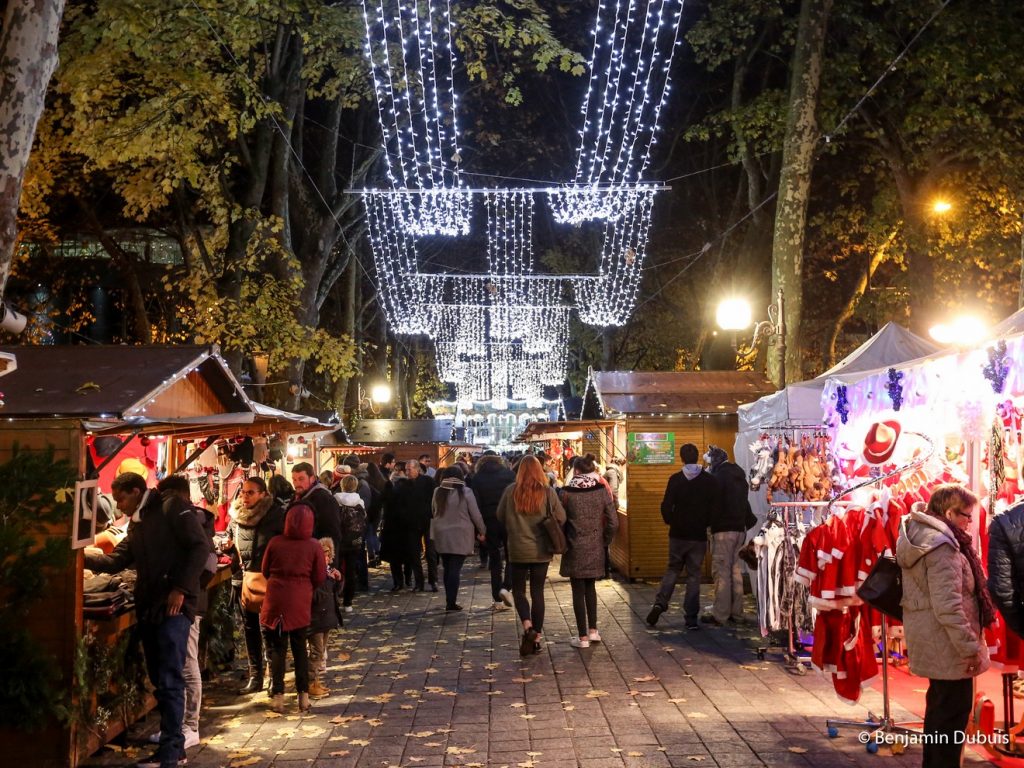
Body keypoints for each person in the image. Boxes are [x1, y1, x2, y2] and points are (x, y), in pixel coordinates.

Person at [85, 472, 209, 768]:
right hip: (151, 606)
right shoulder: (138, 523)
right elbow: (117, 560)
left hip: (174, 608)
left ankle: (171, 752)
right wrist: (80, 555)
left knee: (169, 680)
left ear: (136, 491)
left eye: (121, 498)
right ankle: (173, 749)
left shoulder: (170, 506)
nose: (118, 506)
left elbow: (199, 547)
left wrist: (180, 588)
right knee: (160, 679)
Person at [897, 484, 995, 768]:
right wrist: (970, 647)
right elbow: (948, 606)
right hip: (947, 643)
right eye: (966, 515)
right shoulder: (942, 547)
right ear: (949, 513)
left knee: (941, 711)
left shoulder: (925, 536)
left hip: (934, 638)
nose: (969, 522)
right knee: (950, 717)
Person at [147, 476, 215, 752]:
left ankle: (190, 726)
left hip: (189, 605)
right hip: (185, 602)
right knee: (180, 665)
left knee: (187, 664)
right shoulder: (185, 519)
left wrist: (185, 589)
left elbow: (206, 563)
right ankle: (174, 728)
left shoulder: (191, 521)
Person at [646, 443, 722, 630]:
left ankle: (660, 603)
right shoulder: (709, 480)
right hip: (697, 536)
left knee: (672, 569)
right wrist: (706, 523)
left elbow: (666, 505)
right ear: (697, 457)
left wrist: (671, 521)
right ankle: (690, 618)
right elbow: (715, 507)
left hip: (678, 534)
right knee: (694, 576)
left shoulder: (676, 479)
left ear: (681, 458)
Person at [497, 455, 567, 657]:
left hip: (517, 549)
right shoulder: (548, 492)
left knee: (519, 591)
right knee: (538, 593)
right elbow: (561, 517)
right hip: (541, 550)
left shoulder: (510, 491)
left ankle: (528, 626)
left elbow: (500, 516)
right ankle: (536, 638)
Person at [260, 502, 326, 713]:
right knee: (300, 649)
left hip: (276, 600)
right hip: (300, 601)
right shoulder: (314, 546)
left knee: (277, 649)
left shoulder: (275, 542)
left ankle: (278, 696)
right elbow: (319, 576)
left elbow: (265, 569)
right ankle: (303, 697)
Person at [228, 477, 285, 696]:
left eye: (250, 492)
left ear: (263, 494)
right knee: (250, 629)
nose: (245, 496)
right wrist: (227, 546)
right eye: (243, 492)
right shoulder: (236, 516)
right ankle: (255, 676)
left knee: (270, 631)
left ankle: (274, 678)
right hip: (243, 580)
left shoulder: (275, 515)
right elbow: (231, 539)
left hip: (268, 580)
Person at [559, 455, 618, 648]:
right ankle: (593, 631)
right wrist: (605, 540)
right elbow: (613, 521)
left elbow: (560, 520)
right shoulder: (601, 490)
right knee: (591, 588)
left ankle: (582, 637)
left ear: (576, 471)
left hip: (574, 545)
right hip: (595, 544)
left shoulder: (566, 493)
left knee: (578, 590)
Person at [703, 445, 751, 626]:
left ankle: (721, 614)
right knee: (734, 571)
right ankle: (736, 612)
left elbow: (712, 504)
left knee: (721, 572)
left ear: (714, 461)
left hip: (723, 530)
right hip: (740, 529)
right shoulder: (738, 476)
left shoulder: (718, 478)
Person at [431, 466, 486, 611]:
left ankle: (449, 600)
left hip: (441, 533)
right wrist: (482, 530)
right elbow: (475, 514)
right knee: (455, 568)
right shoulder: (466, 492)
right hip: (461, 534)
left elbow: (433, 511)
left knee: (447, 566)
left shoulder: (438, 491)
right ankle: (451, 602)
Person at [472, 451, 517, 610]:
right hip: (508, 519)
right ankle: (506, 587)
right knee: (512, 555)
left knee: (494, 557)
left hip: (488, 521)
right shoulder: (510, 475)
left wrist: (478, 528)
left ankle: (497, 598)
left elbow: (475, 504)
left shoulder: (476, 478)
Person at [379, 462, 424, 590]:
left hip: (392, 527)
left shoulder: (389, 488)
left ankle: (398, 582)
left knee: (395, 558)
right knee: (408, 555)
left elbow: (382, 503)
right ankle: (408, 579)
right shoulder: (411, 487)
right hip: (407, 526)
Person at [307, 537, 343, 698]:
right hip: (315, 619)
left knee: (321, 653)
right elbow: (314, 595)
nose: (326, 558)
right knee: (316, 652)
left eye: (328, 555)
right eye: (323, 555)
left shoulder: (328, 571)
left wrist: (338, 580)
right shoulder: (314, 574)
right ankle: (310, 683)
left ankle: (316, 681)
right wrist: (328, 581)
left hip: (326, 617)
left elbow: (335, 593)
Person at [291, 462, 342, 569]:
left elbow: (331, 534)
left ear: (312, 478)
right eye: (294, 479)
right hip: (302, 557)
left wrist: (327, 564)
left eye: (301, 479)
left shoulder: (324, 499)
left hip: (317, 560)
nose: (296, 484)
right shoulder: (297, 498)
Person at [334, 474, 368, 613]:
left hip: (339, 539)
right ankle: (348, 602)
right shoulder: (359, 502)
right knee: (351, 571)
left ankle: (335, 597)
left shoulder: (335, 499)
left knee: (335, 569)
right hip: (354, 541)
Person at [407, 459, 438, 592]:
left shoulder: (428, 481)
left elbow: (435, 499)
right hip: (413, 522)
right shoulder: (405, 484)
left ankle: (433, 580)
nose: (407, 472)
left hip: (428, 520)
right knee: (414, 553)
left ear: (417, 469)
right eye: (406, 469)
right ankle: (419, 582)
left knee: (430, 552)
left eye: (409, 469)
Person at [364, 462, 388, 567]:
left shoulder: (366, 481)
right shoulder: (381, 480)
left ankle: (372, 557)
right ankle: (378, 554)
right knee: (373, 533)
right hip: (378, 510)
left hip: (369, 510)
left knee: (369, 534)